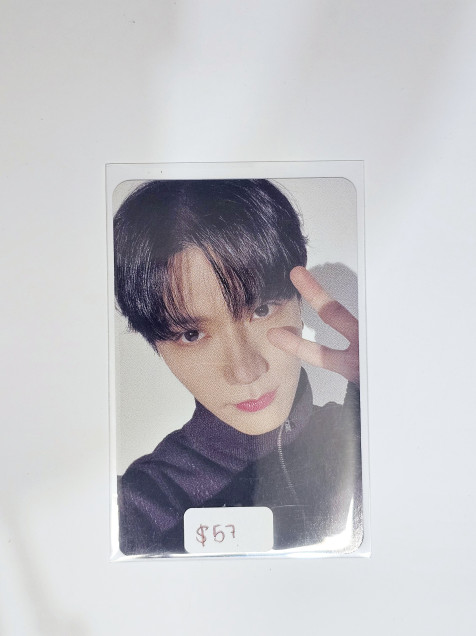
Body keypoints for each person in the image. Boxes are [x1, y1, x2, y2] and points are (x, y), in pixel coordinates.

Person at [114, 179, 362, 555]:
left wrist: (389, 386)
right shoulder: (139, 509)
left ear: (299, 302)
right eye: (192, 334)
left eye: (261, 310)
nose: (245, 371)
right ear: (156, 345)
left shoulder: (369, 434)